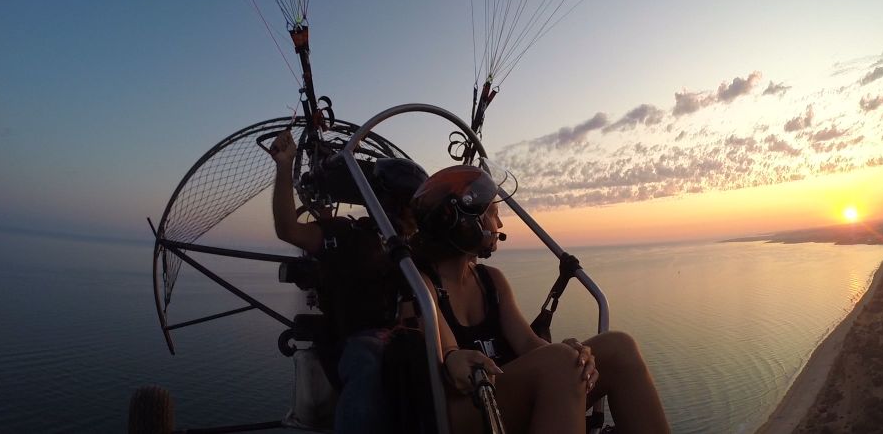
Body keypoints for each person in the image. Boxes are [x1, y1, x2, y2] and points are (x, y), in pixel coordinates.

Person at [410, 165, 670, 434]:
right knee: (558, 363)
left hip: (504, 395)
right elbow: (450, 354)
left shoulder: (491, 280)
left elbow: (528, 343)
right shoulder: (420, 286)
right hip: (462, 411)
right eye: (493, 214)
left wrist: (573, 354)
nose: (499, 225)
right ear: (465, 223)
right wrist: (456, 359)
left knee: (618, 347)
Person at [270, 129, 428, 434]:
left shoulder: (413, 250)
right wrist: (284, 166)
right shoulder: (345, 236)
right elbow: (289, 229)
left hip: (404, 342)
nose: (417, 216)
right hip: (358, 344)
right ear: (394, 204)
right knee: (368, 360)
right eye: (412, 206)